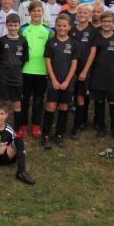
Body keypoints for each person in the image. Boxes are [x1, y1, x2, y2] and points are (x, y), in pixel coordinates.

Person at [42, 14, 78, 149]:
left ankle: (59, 134)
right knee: (51, 106)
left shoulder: (73, 43)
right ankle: (45, 135)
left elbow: (74, 64)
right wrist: (54, 80)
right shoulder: (51, 42)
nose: (61, 28)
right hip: (54, 81)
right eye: (59, 25)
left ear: (69, 27)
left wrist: (67, 81)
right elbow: (48, 62)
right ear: (55, 26)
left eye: (64, 26)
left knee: (64, 107)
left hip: (67, 82)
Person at [19, 2, 52, 138]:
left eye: (39, 11)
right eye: (34, 11)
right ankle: (23, 125)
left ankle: (36, 125)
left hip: (41, 70)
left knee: (38, 99)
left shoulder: (48, 31)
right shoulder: (23, 29)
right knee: (24, 99)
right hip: (25, 70)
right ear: (29, 13)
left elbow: (51, 52)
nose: (37, 13)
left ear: (42, 12)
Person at [90, 12, 114, 139]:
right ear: (101, 22)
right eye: (104, 21)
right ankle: (101, 126)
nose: (106, 24)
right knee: (99, 101)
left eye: (109, 21)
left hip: (112, 75)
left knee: (113, 101)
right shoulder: (96, 37)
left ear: (113, 23)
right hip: (97, 74)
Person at [70, 4, 97, 139]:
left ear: (90, 15)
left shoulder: (93, 31)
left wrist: (85, 70)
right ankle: (81, 120)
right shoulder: (72, 30)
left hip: (85, 68)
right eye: (80, 12)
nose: (82, 14)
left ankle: (78, 125)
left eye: (85, 13)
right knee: (77, 95)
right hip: (71, 68)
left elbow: (93, 51)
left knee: (82, 96)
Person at [0, 13, 27, 121]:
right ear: (6, 25)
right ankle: (0, 125)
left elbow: (25, 58)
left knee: (17, 102)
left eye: (15, 25)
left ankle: (17, 129)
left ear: (19, 25)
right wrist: (5, 66)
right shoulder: (2, 41)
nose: (13, 28)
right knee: (2, 102)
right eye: (10, 25)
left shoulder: (23, 40)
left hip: (17, 76)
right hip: (4, 76)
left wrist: (16, 66)